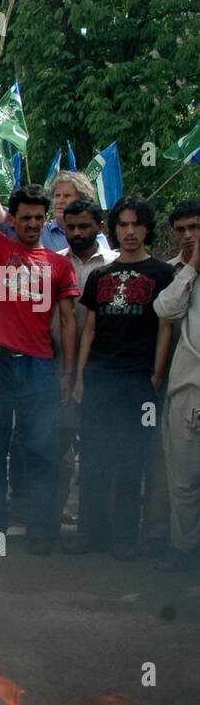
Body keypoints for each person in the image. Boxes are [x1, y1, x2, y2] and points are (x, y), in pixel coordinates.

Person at [0, 127, 82, 554]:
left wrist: (67, 374)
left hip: (40, 368)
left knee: (41, 452)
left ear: (47, 220)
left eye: (39, 218)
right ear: (12, 220)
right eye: (25, 218)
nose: (32, 224)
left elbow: (68, 322)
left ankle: (43, 530)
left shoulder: (59, 266)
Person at [65, 197, 173, 559]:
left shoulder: (162, 274)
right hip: (100, 378)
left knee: (132, 459)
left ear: (146, 229)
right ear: (115, 230)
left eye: (136, 224)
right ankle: (89, 532)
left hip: (139, 380)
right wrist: (80, 376)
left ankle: (126, 537)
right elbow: (90, 329)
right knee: (94, 458)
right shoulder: (100, 276)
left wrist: (156, 375)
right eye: (123, 224)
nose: (129, 231)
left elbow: (164, 329)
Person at [53, 199, 118, 521]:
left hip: (103, 369)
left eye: (84, 227)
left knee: (98, 446)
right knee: (59, 445)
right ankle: (55, 515)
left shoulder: (116, 266)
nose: (76, 233)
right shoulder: (52, 263)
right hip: (58, 367)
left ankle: (94, 520)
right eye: (70, 227)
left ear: (101, 228)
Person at [153, 200, 200, 571]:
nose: (188, 236)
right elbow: (165, 309)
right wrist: (192, 268)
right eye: (181, 230)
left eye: (195, 228)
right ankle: (183, 550)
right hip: (186, 390)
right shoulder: (177, 272)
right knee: (182, 481)